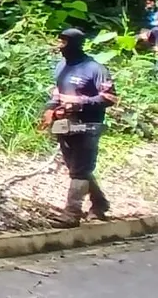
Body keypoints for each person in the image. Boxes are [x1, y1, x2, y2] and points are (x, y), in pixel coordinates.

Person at [41, 28, 118, 228]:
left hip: (88, 126)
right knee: (77, 168)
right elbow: (57, 92)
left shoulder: (95, 69)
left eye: (64, 42)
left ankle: (71, 214)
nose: (60, 46)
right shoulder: (61, 66)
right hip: (65, 124)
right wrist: (50, 109)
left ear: (76, 44)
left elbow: (109, 98)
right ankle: (100, 203)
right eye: (59, 41)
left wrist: (80, 103)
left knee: (79, 170)